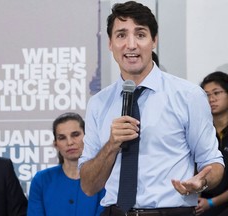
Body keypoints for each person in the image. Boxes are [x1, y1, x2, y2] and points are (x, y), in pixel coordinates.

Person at [78, 1, 224, 216]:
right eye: (121, 35)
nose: (131, 45)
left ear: (154, 40)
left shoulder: (188, 95)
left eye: (140, 34)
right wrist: (111, 144)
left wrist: (201, 182)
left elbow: (212, 163)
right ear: (110, 43)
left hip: (172, 211)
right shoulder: (98, 103)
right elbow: (89, 186)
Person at [27, 112, 105, 216]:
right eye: (62, 138)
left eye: (75, 135)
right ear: (55, 144)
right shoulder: (41, 180)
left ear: (87, 137)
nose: (69, 142)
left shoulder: (104, 179)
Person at [195, 71, 228, 216]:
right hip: (203, 201)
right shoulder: (203, 130)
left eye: (217, 93)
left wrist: (211, 203)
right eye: (207, 95)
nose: (211, 99)